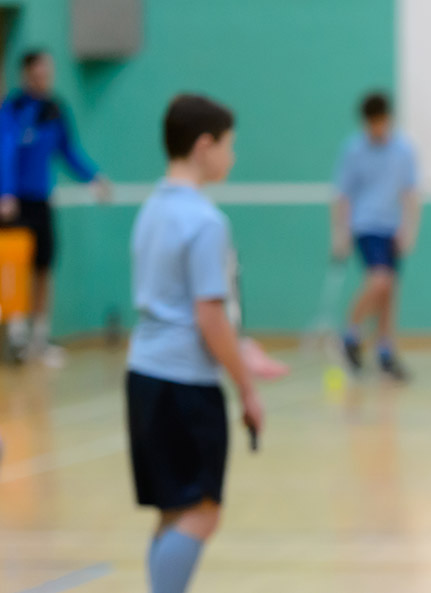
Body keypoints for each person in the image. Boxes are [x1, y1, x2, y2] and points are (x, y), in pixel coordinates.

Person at [126, 94, 265, 593]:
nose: (231, 156)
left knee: (174, 510)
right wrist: (246, 389)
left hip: (143, 374)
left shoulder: (152, 209)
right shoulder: (205, 220)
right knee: (202, 512)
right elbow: (209, 314)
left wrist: (242, 351)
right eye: (228, 145)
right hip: (184, 383)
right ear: (204, 145)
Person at [0, 50, 110, 364]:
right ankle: (16, 334)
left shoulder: (55, 109)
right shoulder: (13, 109)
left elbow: (68, 150)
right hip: (15, 203)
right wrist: (5, 193)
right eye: (37, 74)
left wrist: (94, 177)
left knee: (43, 267)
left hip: (41, 200)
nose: (43, 79)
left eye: (47, 73)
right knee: (16, 264)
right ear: (25, 74)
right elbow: (5, 153)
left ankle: (39, 338)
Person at [331, 92, 422, 382]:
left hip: (391, 227)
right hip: (366, 225)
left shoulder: (404, 149)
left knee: (389, 293)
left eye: (381, 122)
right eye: (372, 123)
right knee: (379, 280)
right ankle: (350, 334)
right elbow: (342, 195)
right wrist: (340, 235)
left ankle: (385, 352)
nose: (377, 128)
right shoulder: (354, 150)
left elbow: (410, 193)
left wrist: (409, 229)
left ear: (388, 118)